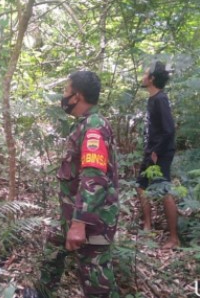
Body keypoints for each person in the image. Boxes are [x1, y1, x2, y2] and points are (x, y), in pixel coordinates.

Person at [23, 71, 119, 298]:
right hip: (73, 213)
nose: (63, 95)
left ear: (77, 96)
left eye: (66, 91)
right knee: (55, 246)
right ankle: (42, 291)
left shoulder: (94, 126)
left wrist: (79, 223)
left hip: (92, 220)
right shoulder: (84, 124)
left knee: (96, 280)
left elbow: (94, 178)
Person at [136, 61, 179, 249]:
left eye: (146, 73)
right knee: (141, 186)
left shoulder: (160, 99)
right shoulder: (152, 99)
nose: (143, 76)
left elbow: (169, 130)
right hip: (151, 150)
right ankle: (147, 226)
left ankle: (174, 238)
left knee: (164, 191)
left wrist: (156, 151)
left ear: (152, 78)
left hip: (160, 152)